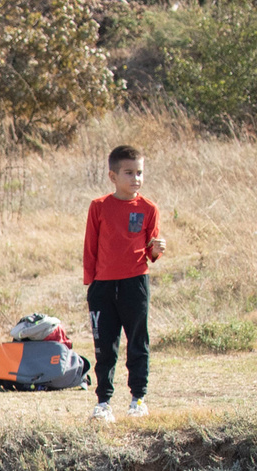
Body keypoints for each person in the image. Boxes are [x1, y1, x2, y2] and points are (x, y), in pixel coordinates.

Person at [84, 143, 164, 423]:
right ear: (113, 176)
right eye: (129, 173)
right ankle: (103, 402)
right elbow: (90, 247)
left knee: (137, 342)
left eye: (139, 172)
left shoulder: (148, 208)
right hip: (103, 286)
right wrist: (91, 283)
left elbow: (151, 250)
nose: (136, 179)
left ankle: (138, 399)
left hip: (135, 283)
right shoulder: (99, 207)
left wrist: (157, 249)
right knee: (105, 346)